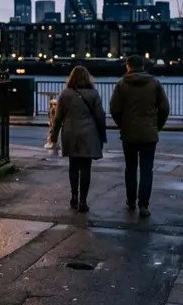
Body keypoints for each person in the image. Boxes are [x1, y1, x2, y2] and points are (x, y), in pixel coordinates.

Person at [109, 54, 170, 217]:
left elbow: (114, 109)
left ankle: (130, 201)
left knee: (130, 168)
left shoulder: (121, 84)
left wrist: (122, 124)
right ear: (143, 66)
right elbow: (164, 108)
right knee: (146, 169)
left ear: (128, 66)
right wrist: (157, 126)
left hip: (128, 133)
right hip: (149, 133)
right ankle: (144, 205)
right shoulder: (154, 82)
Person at [47, 65, 106, 212]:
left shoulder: (65, 94)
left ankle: (73, 197)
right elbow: (100, 116)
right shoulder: (93, 93)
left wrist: (53, 137)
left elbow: (58, 117)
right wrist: (102, 136)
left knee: (73, 166)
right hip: (89, 134)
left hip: (70, 133)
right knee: (86, 168)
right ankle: (83, 201)